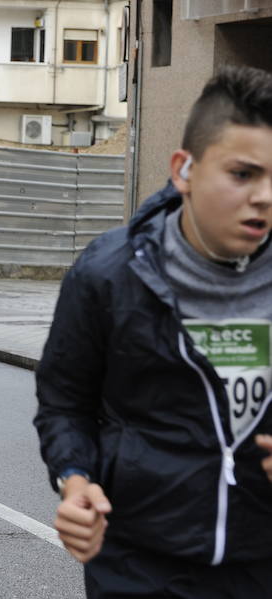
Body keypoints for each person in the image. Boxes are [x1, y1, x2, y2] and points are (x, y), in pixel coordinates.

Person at [34, 65, 272, 598]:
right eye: (243, 174)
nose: (265, 196)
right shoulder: (109, 273)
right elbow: (65, 403)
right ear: (183, 169)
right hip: (137, 564)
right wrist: (75, 480)